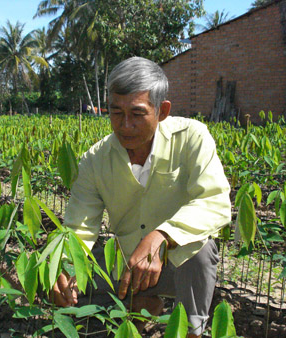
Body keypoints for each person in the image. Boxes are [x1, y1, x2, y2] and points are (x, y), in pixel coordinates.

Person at [51, 56, 231, 337]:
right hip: (125, 264)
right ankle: (143, 304)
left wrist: (162, 236)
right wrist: (64, 268)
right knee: (50, 281)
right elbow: (79, 227)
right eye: (115, 113)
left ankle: (192, 330)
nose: (124, 126)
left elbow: (214, 201)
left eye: (137, 114)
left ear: (162, 111)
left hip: (177, 265)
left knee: (201, 249)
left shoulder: (193, 137)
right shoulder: (96, 159)